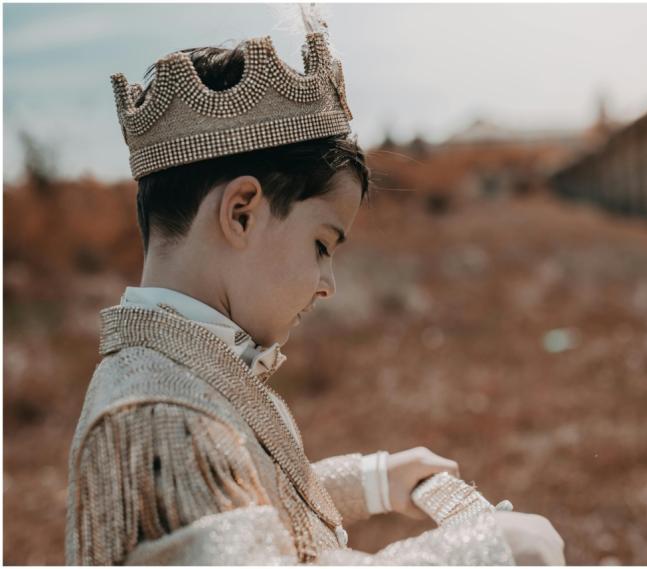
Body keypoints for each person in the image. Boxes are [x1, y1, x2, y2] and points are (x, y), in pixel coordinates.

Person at [64, 5, 565, 565]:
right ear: (243, 214)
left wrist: (374, 481)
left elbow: (247, 497)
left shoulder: (182, 370)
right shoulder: (161, 418)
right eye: (322, 245)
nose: (327, 284)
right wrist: (485, 551)